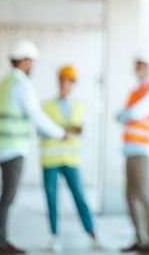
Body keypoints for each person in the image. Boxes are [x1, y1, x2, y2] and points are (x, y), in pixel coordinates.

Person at [0, 39, 75, 255]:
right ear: (25, 61)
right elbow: (36, 115)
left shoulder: (3, 82)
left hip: (2, 146)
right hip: (14, 148)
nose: (32, 67)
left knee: (5, 197)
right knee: (7, 197)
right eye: (32, 62)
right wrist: (60, 133)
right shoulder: (21, 84)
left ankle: (0, 241)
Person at [39, 65, 101, 252]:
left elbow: (85, 129)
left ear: (73, 84)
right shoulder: (46, 106)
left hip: (71, 160)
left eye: (69, 81)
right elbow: (41, 129)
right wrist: (64, 130)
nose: (66, 85)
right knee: (51, 199)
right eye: (63, 81)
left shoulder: (80, 105)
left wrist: (66, 129)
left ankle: (92, 235)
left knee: (80, 197)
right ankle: (54, 236)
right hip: (50, 160)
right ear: (59, 82)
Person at [116, 53, 149, 255]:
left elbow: (133, 113)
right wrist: (124, 114)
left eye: (142, 64)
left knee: (147, 195)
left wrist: (124, 114)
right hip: (132, 150)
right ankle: (141, 239)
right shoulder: (136, 90)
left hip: (145, 150)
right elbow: (126, 113)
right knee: (131, 196)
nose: (138, 68)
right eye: (137, 64)